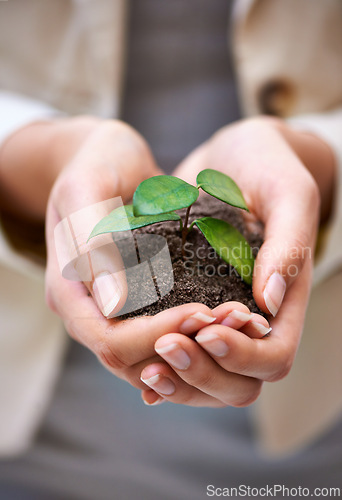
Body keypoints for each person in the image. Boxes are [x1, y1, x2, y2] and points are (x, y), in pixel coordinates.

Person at [0, 0, 341, 497]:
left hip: (313, 443)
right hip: (32, 450)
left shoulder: (225, 220)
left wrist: (318, 161)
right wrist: (42, 155)